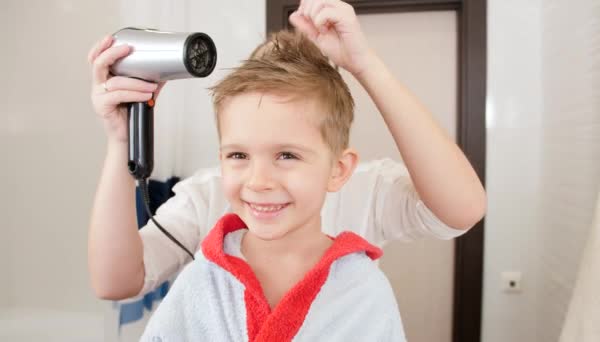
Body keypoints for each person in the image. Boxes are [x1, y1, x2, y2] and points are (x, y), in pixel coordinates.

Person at [88, 0, 486, 321]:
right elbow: (116, 282)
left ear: (338, 169)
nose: (259, 181)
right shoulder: (207, 195)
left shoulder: (368, 189)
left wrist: (365, 65)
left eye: (288, 155)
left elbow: (462, 209)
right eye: (239, 154)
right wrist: (118, 141)